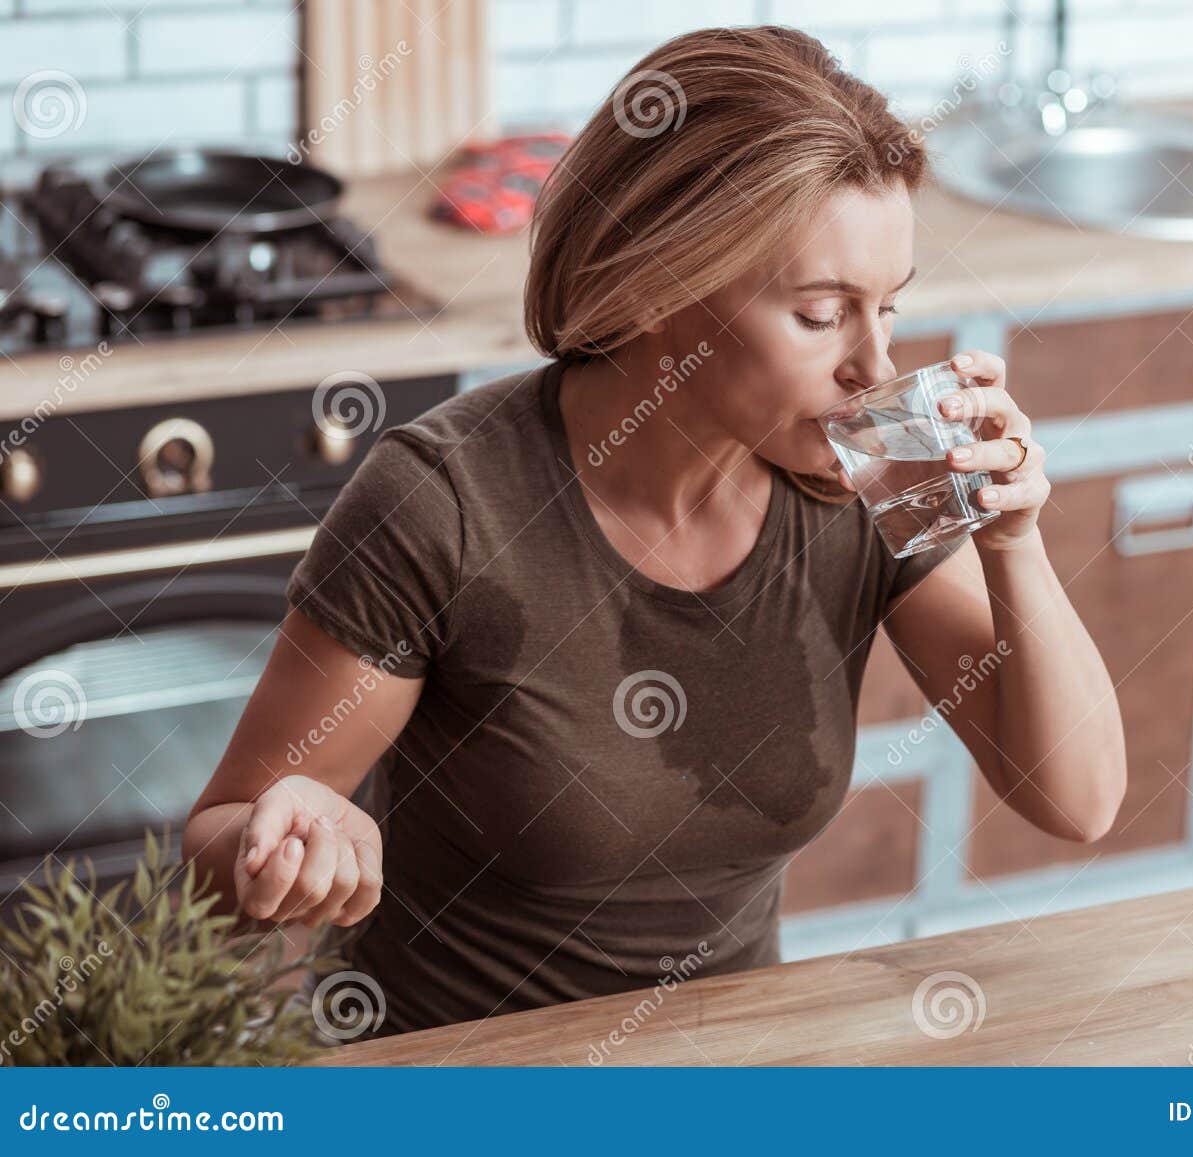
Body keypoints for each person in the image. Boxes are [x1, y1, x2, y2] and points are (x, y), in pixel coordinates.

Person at [183, 25, 1126, 1038]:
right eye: (821, 314)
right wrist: (286, 840)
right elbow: (218, 836)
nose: (872, 364)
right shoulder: (445, 502)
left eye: (887, 308)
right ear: (660, 289)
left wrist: (1012, 540)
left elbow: (1076, 800)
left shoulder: (864, 477)